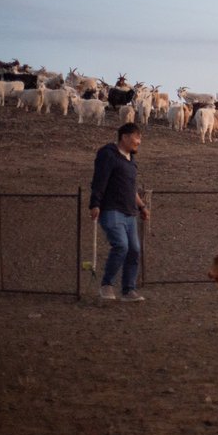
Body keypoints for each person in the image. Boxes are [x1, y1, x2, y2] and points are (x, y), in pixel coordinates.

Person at [90, 122, 151, 302]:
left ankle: (128, 290)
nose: (139, 141)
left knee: (134, 250)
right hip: (111, 209)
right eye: (136, 137)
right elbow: (99, 180)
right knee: (121, 246)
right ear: (124, 137)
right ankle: (106, 285)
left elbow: (131, 190)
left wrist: (142, 207)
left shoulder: (131, 161)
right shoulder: (108, 155)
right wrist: (95, 204)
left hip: (129, 212)